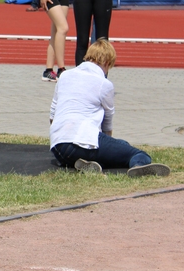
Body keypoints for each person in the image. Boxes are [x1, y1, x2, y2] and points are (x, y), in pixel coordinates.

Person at [49, 39, 170, 177]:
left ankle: (86, 164)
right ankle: (138, 166)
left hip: (58, 146)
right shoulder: (104, 84)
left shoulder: (65, 76)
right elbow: (107, 123)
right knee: (137, 153)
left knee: (121, 144)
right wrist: (107, 142)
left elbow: (52, 113)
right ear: (106, 63)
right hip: (82, 140)